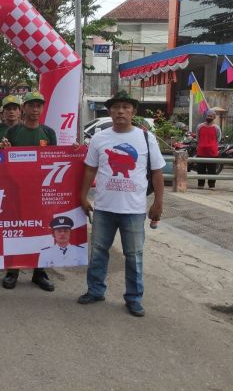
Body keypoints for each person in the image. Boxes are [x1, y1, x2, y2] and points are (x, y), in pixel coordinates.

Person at [78, 90, 165, 317]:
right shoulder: (99, 138)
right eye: (116, 107)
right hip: (104, 207)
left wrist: (158, 202)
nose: (120, 111)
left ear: (133, 111)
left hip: (134, 209)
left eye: (126, 107)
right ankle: (95, 290)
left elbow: (157, 172)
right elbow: (90, 169)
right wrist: (83, 196)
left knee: (134, 255)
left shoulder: (146, 137)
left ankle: (134, 298)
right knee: (98, 251)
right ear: (110, 111)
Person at [0, 91, 57, 291]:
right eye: (31, 105)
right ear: (24, 108)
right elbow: (3, 162)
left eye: (38, 105)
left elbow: (56, 160)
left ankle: (39, 272)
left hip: (41, 192)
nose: (34, 109)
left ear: (42, 108)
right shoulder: (13, 132)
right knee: (16, 230)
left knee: (42, 230)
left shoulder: (49, 133)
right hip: (17, 192)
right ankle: (12, 271)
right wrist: (2, 150)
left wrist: (74, 151)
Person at [195, 109, 221, 190]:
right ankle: (200, 185)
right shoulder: (200, 126)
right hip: (201, 152)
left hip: (212, 152)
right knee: (200, 170)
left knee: (212, 170)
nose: (209, 117)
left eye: (211, 116)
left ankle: (211, 185)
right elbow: (197, 137)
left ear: (214, 117)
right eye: (208, 115)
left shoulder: (216, 128)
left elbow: (218, 138)